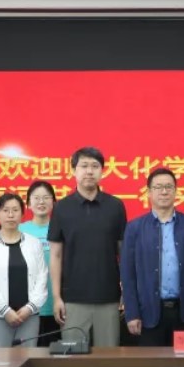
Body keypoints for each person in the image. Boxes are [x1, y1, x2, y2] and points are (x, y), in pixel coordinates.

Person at [48, 147, 127, 346]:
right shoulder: (61, 208)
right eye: (84, 166)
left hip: (109, 297)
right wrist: (57, 297)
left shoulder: (115, 206)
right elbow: (55, 255)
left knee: (108, 357)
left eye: (95, 166)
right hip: (73, 299)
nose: (89, 171)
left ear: (102, 171)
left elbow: (123, 253)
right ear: (74, 170)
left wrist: (126, 292)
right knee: (73, 357)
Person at [121, 168, 184, 346]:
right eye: (158, 187)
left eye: (169, 187)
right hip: (148, 313)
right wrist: (132, 313)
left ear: (176, 191)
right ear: (149, 192)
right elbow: (127, 275)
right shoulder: (135, 227)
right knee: (153, 363)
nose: (164, 191)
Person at [0, 193, 47, 348]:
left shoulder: (34, 244)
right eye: (5, 210)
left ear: (22, 215)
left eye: (15, 210)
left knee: (28, 360)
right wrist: (5, 310)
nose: (10, 215)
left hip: (28, 316)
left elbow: (42, 278)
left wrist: (30, 308)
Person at [19, 181, 60, 346]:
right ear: (28, 204)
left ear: (54, 202)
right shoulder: (19, 230)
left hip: (56, 303)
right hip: (27, 305)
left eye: (46, 197)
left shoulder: (62, 228)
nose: (41, 202)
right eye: (36, 198)